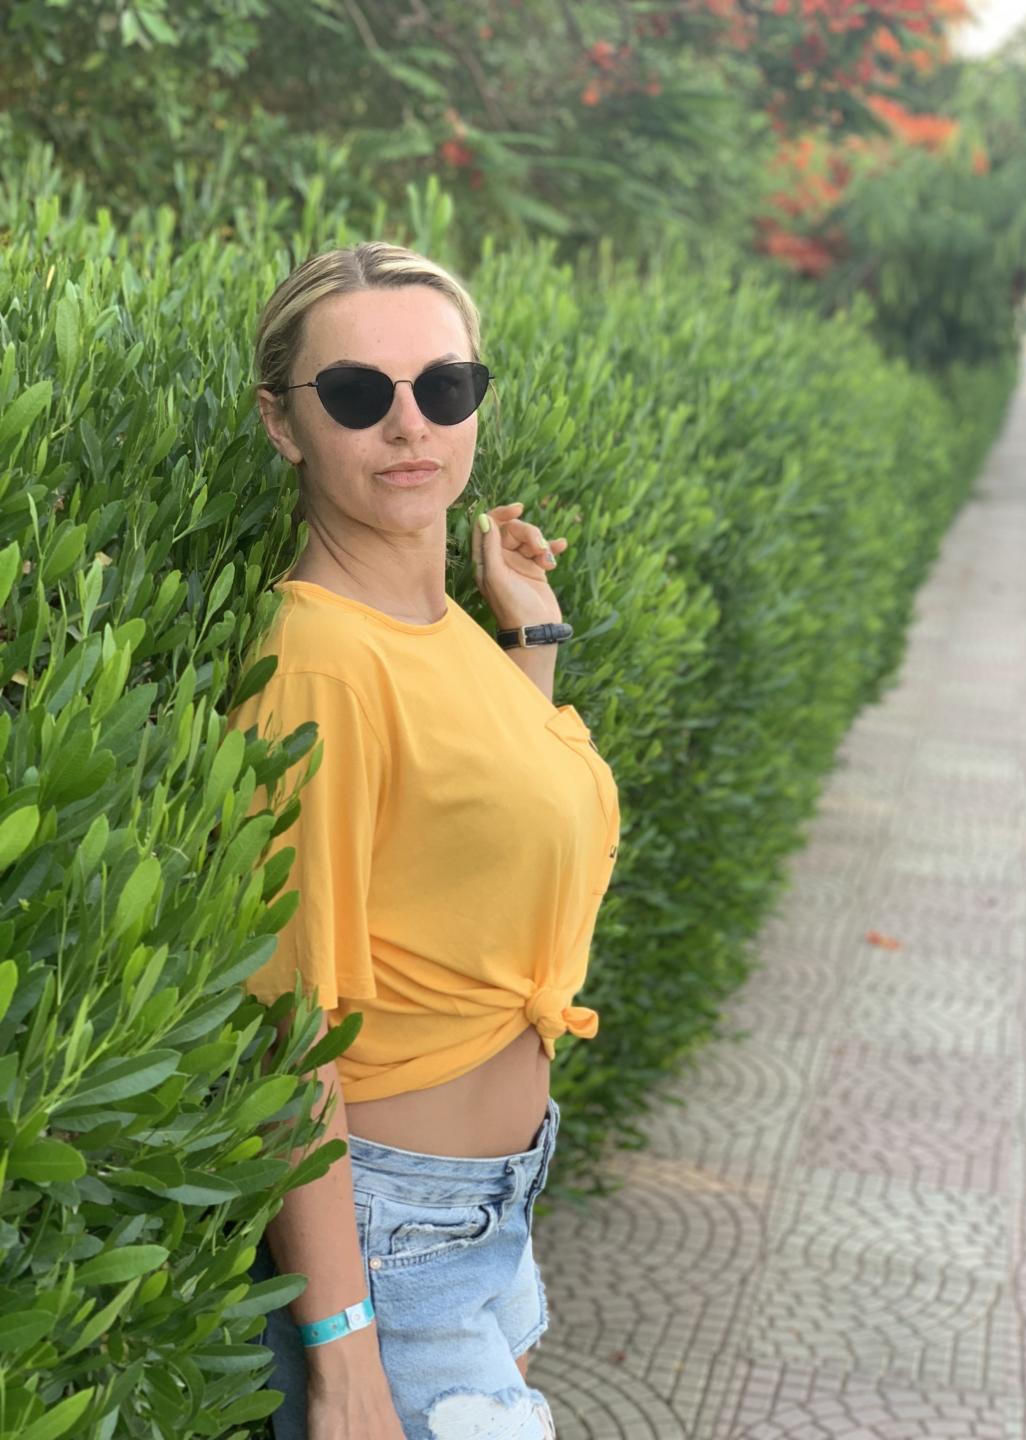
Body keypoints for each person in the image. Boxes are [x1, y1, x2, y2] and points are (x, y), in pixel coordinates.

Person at [227, 241, 621, 1440]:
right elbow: (289, 1036)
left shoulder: (441, 626)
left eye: (444, 387)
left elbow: (477, 822)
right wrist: (343, 1358)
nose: (411, 424)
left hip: (494, 1209)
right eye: (358, 394)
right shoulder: (316, 667)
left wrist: (532, 638)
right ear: (285, 424)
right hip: (393, 1250)